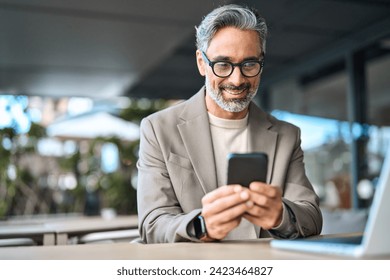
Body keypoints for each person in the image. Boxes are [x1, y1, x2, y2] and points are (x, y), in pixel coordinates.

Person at [136, 4, 322, 243]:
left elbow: (312, 217)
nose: (237, 79)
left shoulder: (287, 135)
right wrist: (202, 225)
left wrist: (280, 216)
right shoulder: (158, 129)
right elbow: (152, 224)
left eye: (249, 64)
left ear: (261, 62)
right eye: (223, 65)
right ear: (201, 63)